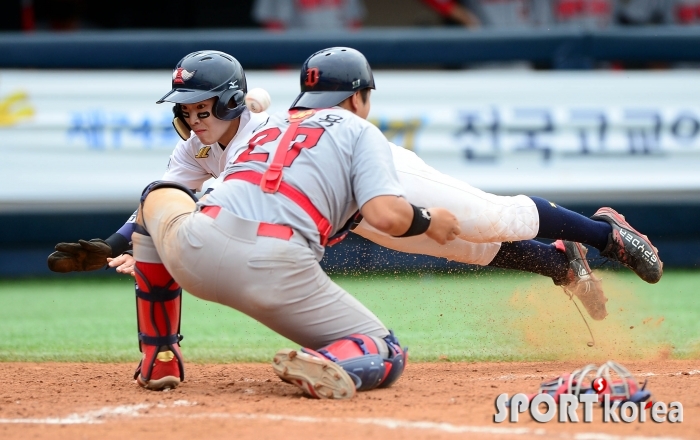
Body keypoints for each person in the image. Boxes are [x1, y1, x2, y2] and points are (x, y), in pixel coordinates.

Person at [47, 50, 663, 326]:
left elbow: (258, 103)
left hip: (372, 175)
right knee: (454, 247)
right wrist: (111, 243)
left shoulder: (256, 118)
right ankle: (559, 262)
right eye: (183, 110)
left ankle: (608, 235)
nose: (191, 120)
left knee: (489, 218)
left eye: (201, 108)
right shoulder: (197, 146)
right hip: (330, 207)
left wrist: (250, 102)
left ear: (230, 102)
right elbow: (160, 198)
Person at [128, 46, 461, 398]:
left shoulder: (269, 126)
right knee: (384, 349)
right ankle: (330, 359)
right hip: (275, 267)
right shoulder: (359, 131)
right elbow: (385, 215)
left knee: (159, 193)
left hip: (196, 248)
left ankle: (159, 354)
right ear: (358, 98)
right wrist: (429, 220)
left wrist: (122, 241)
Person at [252, 0, 365, 31]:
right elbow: (273, 28)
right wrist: (284, 74)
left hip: (340, 61)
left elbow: (354, 24)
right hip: (298, 62)